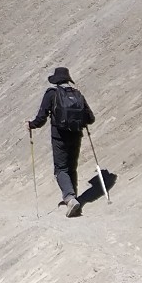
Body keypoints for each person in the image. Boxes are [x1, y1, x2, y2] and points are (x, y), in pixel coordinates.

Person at [28, 66, 96, 217]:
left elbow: (41, 117)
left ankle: (70, 199)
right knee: (71, 168)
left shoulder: (52, 94)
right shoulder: (77, 94)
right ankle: (74, 197)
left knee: (60, 169)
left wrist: (31, 124)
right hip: (76, 135)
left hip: (59, 137)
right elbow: (91, 118)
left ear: (56, 81)